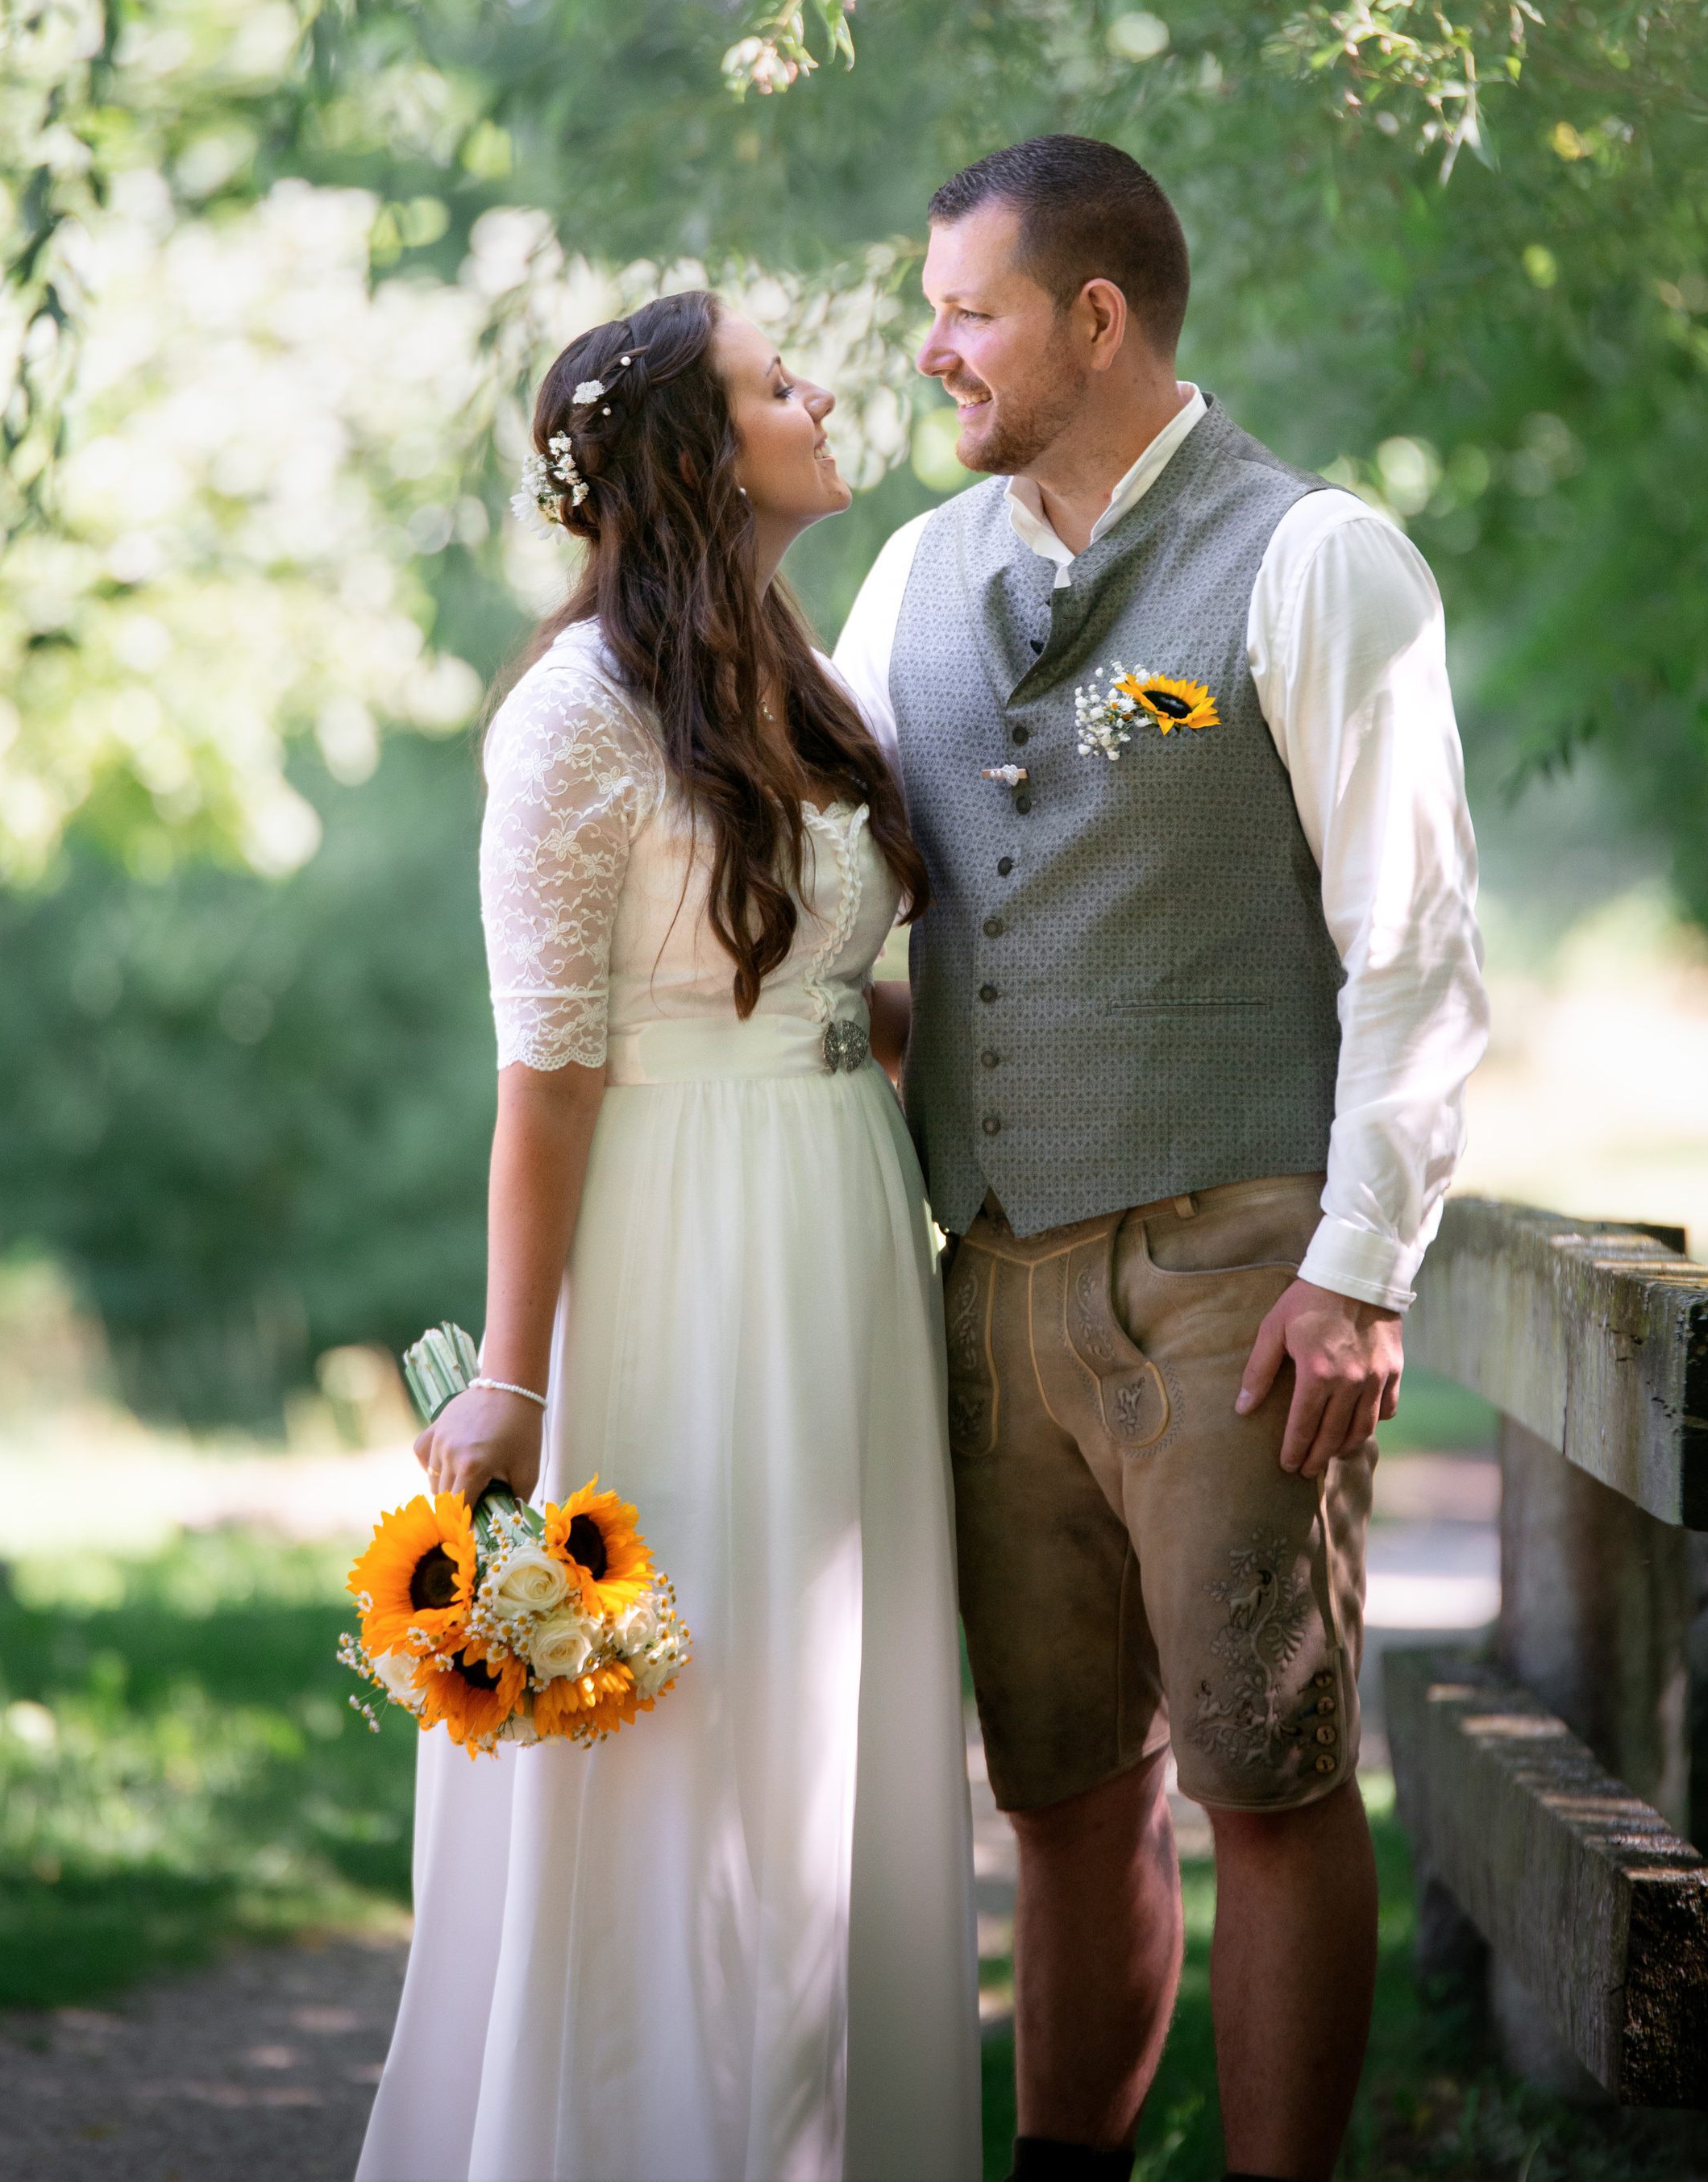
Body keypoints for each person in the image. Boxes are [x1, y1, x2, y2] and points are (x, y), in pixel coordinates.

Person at [834, 136, 1487, 2182]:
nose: (930, 346)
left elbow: (1416, 942)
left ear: (1092, 318)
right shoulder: (911, 579)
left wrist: (1361, 1263)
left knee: (1269, 1775)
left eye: (968, 308)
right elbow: (833, 901)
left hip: (1236, 1265)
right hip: (994, 1268)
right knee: (1057, 1795)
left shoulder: (1314, 559)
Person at [357, 290, 979, 2182]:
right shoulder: (570, 717)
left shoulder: (805, 681)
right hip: (670, 1256)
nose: (822, 391)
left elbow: (823, 982)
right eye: (773, 381)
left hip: (839, 1237)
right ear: (698, 454)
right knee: (672, 1735)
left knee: (821, 1734)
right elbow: (544, 1075)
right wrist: (513, 1378)